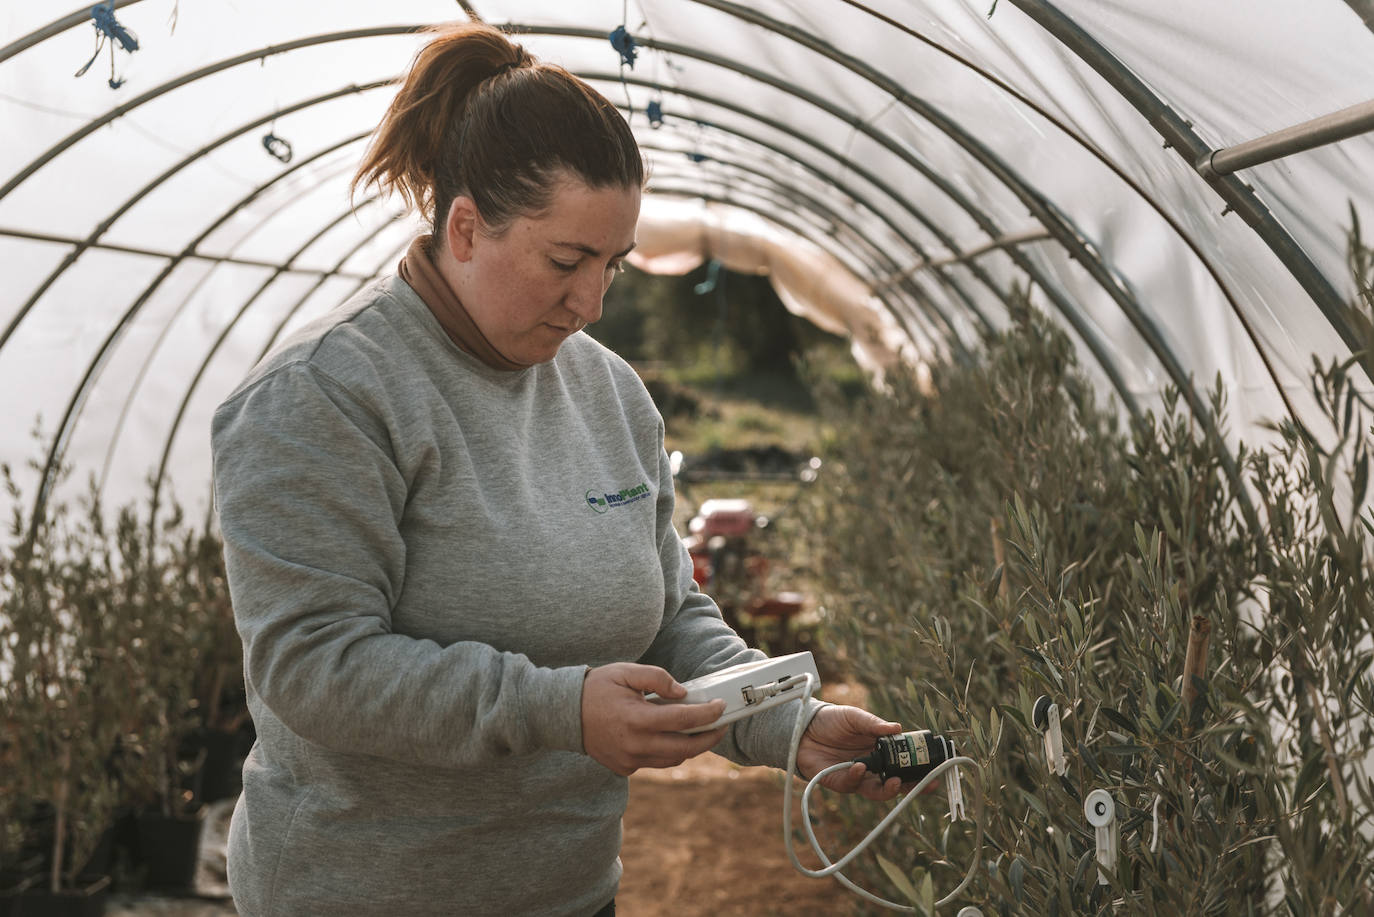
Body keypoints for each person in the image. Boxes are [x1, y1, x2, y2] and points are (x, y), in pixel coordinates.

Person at [210, 21, 909, 917]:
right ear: (465, 226)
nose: (590, 302)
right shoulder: (326, 396)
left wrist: (787, 722)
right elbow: (314, 664)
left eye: (612, 266)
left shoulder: (611, 395)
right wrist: (559, 708)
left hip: (569, 893)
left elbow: (668, 617)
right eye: (566, 261)